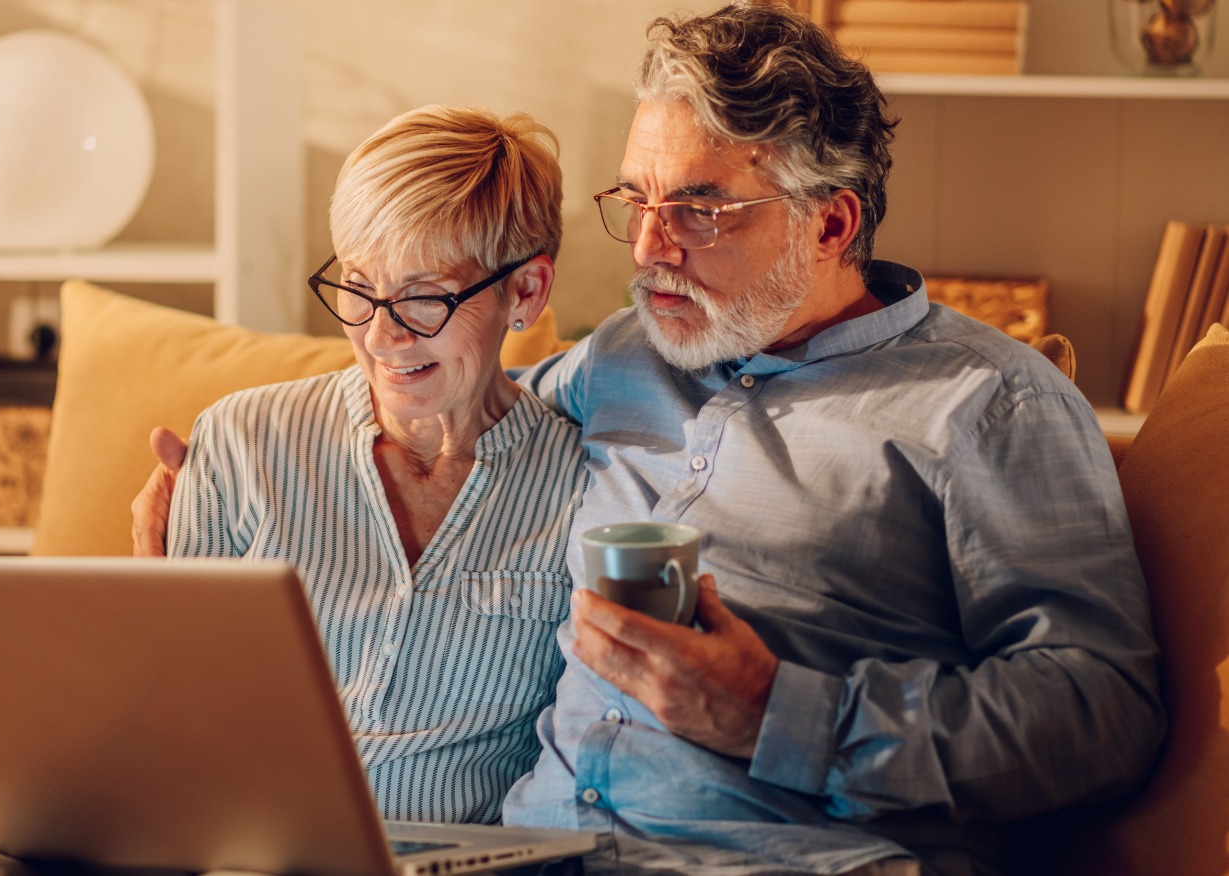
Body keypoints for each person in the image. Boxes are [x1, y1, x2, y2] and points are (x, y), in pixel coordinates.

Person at [134, 5, 1164, 873]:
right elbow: (443, 371)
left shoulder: (988, 403)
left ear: (833, 224)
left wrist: (777, 715)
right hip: (533, 856)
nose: (651, 248)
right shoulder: (629, 352)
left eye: (704, 210)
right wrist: (227, 496)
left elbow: (1103, 713)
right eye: (637, 200)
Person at [152, 105, 587, 826]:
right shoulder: (240, 440)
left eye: (423, 298)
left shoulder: (581, 485)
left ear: (527, 292)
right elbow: (172, 709)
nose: (381, 334)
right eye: (357, 288)